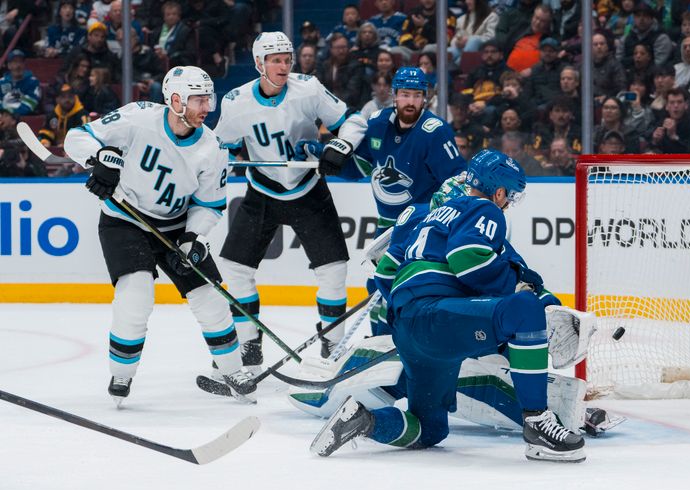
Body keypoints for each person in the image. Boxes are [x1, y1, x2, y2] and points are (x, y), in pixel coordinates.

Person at [310, 149, 586, 462]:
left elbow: (384, 278)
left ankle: (364, 420)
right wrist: (525, 291)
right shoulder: (483, 209)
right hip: (434, 316)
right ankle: (537, 422)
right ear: (498, 192)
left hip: (409, 329)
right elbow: (467, 261)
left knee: (430, 429)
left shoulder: (423, 220)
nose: (508, 204)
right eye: (509, 196)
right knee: (523, 311)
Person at [63, 66, 257, 403]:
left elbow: (209, 204)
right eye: (198, 99)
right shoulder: (138, 118)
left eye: (207, 98)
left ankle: (231, 368)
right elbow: (76, 138)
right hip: (124, 221)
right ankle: (121, 374)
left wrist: (194, 236)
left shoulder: (213, 147)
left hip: (177, 227)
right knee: (135, 295)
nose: (207, 107)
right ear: (177, 99)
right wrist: (98, 160)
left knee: (210, 297)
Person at [213, 32, 351, 363]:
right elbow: (220, 147)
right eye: (275, 59)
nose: (284, 65)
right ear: (259, 63)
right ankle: (250, 344)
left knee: (334, 269)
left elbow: (351, 122)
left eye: (287, 58)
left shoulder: (309, 88)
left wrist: (339, 145)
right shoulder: (235, 101)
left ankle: (333, 345)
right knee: (234, 268)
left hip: (308, 187)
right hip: (262, 191)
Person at [330, 66, 467, 332]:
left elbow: (458, 181)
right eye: (405, 94)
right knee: (377, 285)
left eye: (417, 95)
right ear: (394, 95)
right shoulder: (378, 123)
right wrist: (328, 158)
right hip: (387, 227)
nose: (411, 101)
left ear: (425, 97)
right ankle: (379, 344)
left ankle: (406, 344)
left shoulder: (435, 132)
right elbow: (362, 167)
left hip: (424, 226)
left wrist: (436, 214)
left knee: (409, 286)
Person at [0, 50, 41, 116]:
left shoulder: (33, 82)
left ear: (24, 65)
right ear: (9, 65)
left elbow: (31, 103)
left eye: (20, 62)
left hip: (24, 119)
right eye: (15, 62)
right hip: (3, 117)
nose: (18, 65)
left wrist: (11, 113)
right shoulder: (1, 82)